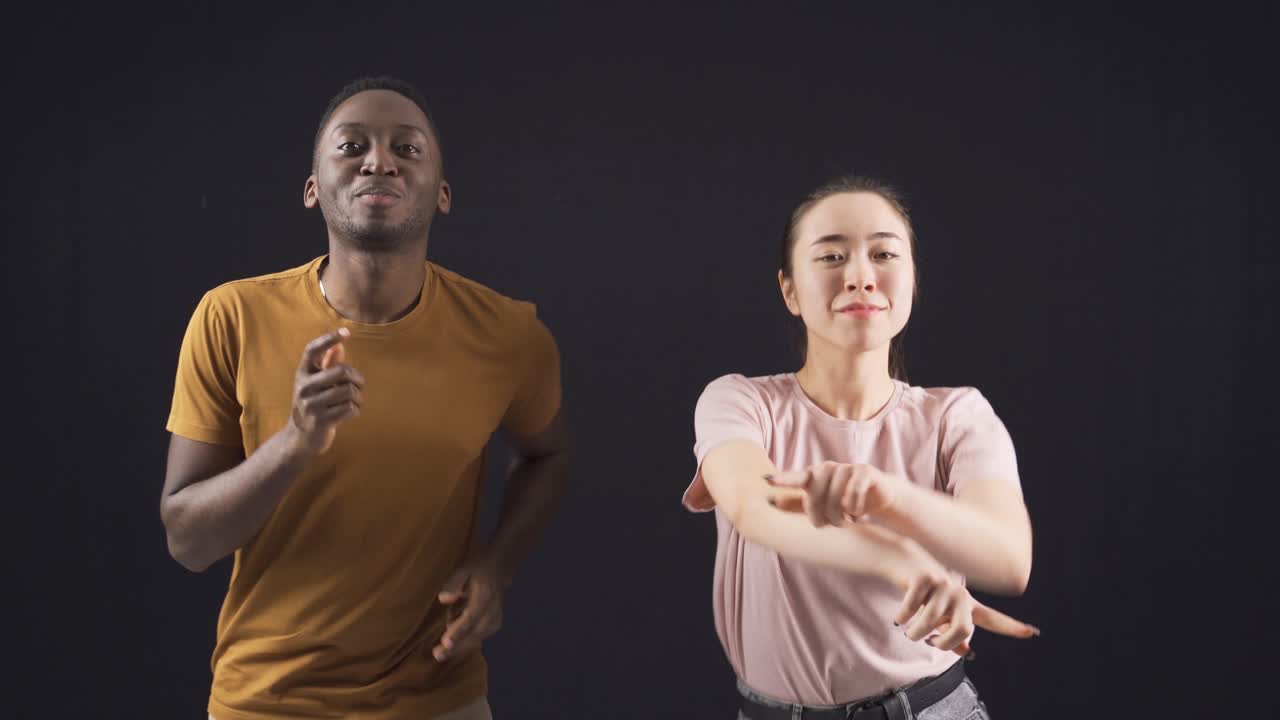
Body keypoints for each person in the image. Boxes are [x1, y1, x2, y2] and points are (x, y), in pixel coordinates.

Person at [160, 76, 570, 720]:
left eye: (407, 149)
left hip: (440, 699)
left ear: (442, 194)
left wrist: (496, 567)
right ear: (312, 188)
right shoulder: (230, 317)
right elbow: (188, 542)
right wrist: (295, 442)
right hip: (266, 701)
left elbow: (548, 457)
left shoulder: (509, 333)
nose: (378, 160)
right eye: (352, 146)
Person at [685, 175, 1037, 719]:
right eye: (830, 257)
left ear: (912, 282)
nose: (860, 277)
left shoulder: (956, 415)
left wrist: (884, 494)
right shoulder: (739, 402)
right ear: (790, 291)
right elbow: (756, 509)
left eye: (883, 254)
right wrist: (897, 556)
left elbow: (1010, 560)